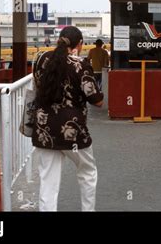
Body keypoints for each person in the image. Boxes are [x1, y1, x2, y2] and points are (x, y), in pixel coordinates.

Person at [33, 26, 104, 211]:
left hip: (44, 130)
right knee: (87, 172)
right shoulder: (80, 65)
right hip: (73, 131)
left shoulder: (41, 59)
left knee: (48, 181)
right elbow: (96, 100)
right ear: (79, 44)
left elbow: (35, 88)